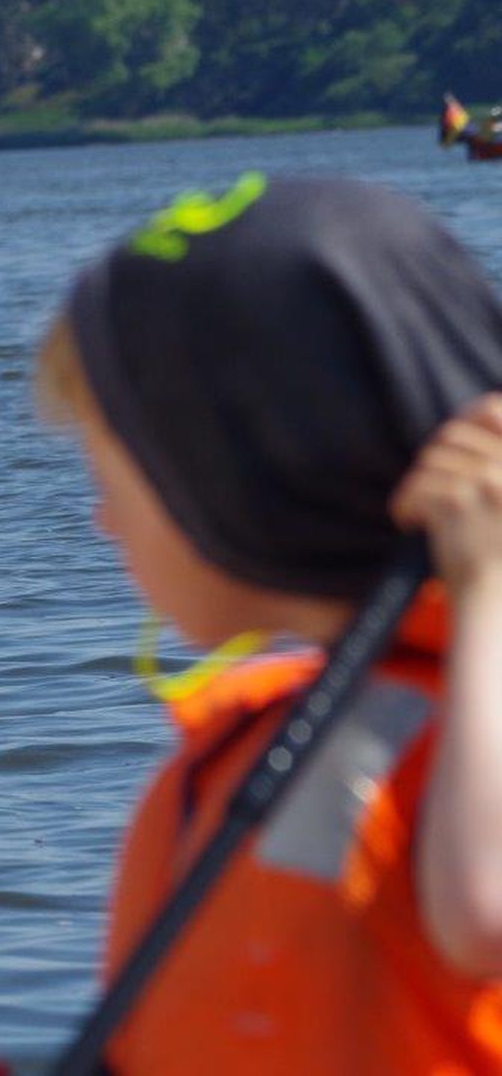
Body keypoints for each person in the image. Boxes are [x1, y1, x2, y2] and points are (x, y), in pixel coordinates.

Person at [37, 172, 502, 1069]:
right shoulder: (279, 726)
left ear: (247, 475)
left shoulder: (476, 707)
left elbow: (486, 908)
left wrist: (487, 590)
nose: (100, 520)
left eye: (108, 478)